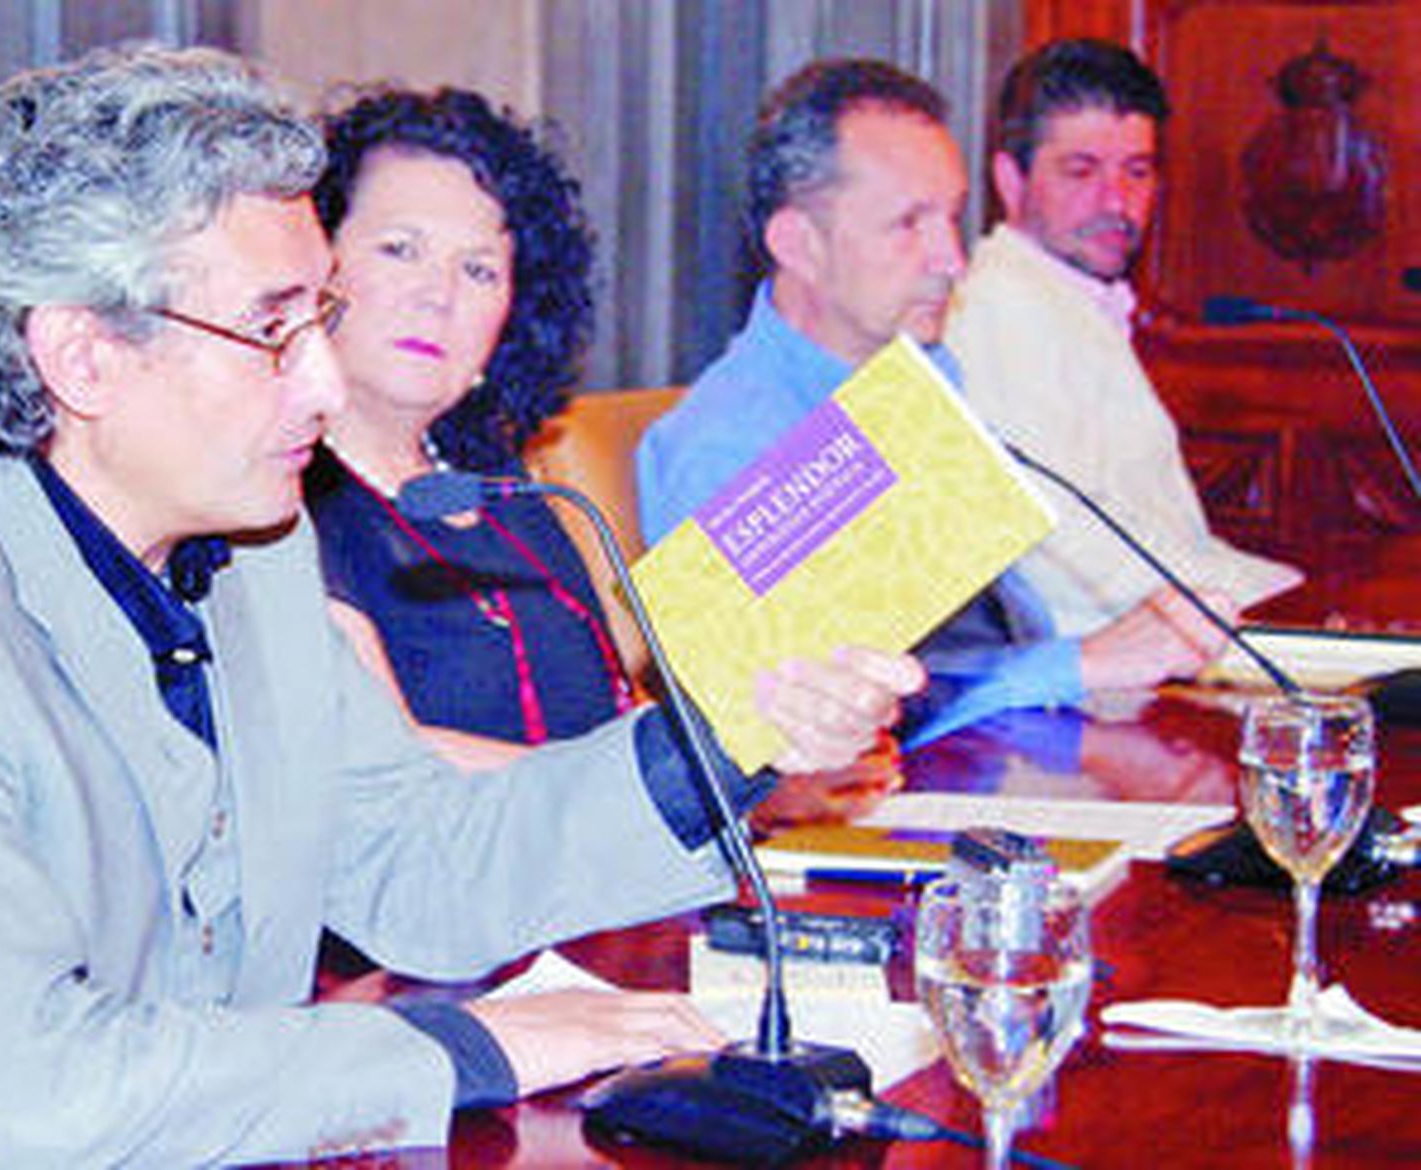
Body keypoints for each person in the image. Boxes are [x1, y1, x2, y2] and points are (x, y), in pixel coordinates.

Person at [0, 45, 922, 1167]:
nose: (326, 384)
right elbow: (38, 1099)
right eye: (272, 329)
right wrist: (458, 1050)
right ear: (85, 355)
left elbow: (419, 858)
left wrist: (726, 741)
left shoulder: (247, 539)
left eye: (323, 316)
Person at [636, 57, 1231, 748]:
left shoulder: (926, 374)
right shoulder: (727, 444)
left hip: (1019, 757)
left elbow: (986, 633)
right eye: (909, 225)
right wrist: (1082, 663)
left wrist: (1095, 662)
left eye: (952, 217)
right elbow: (781, 732)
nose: (951, 258)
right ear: (799, 243)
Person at [303, 86, 632, 770]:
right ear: (313, 265)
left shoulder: (502, 484)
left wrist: (753, 769)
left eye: (478, 269)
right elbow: (391, 764)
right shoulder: (276, 502)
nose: (439, 293)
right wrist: (673, 787)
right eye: (400, 250)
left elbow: (613, 711)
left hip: (594, 868)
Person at [945, 38, 1302, 638]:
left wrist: (1286, 594)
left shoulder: (1066, 297)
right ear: (1010, 179)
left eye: (1137, 171)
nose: (1116, 202)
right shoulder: (994, 310)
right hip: (1102, 684)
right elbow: (1065, 550)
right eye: (1081, 171)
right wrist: (1270, 611)